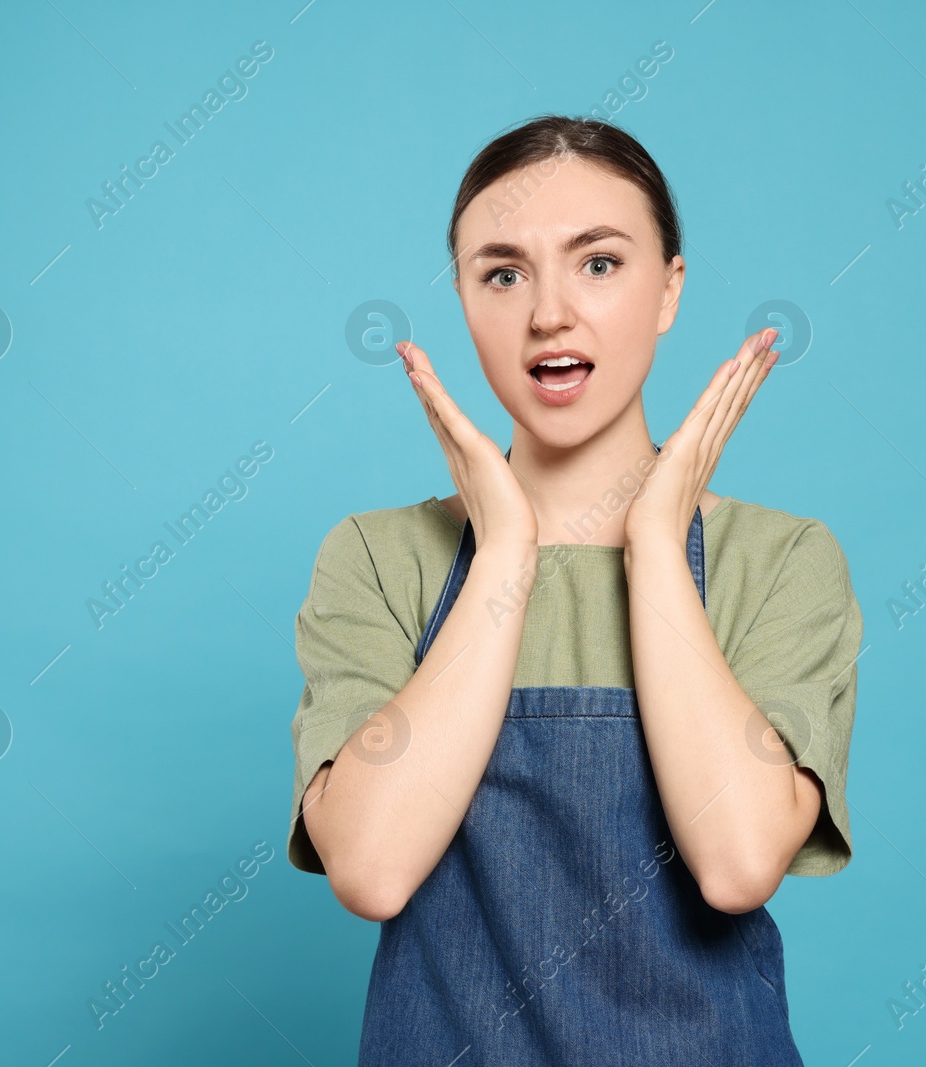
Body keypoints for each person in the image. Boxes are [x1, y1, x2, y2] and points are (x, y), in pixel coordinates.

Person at [286, 114, 863, 1065]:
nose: (549, 312)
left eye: (599, 263)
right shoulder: (380, 559)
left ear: (670, 289)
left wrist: (652, 543)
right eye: (502, 272)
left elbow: (736, 862)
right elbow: (375, 869)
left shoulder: (783, 559)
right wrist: (507, 548)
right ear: (465, 299)